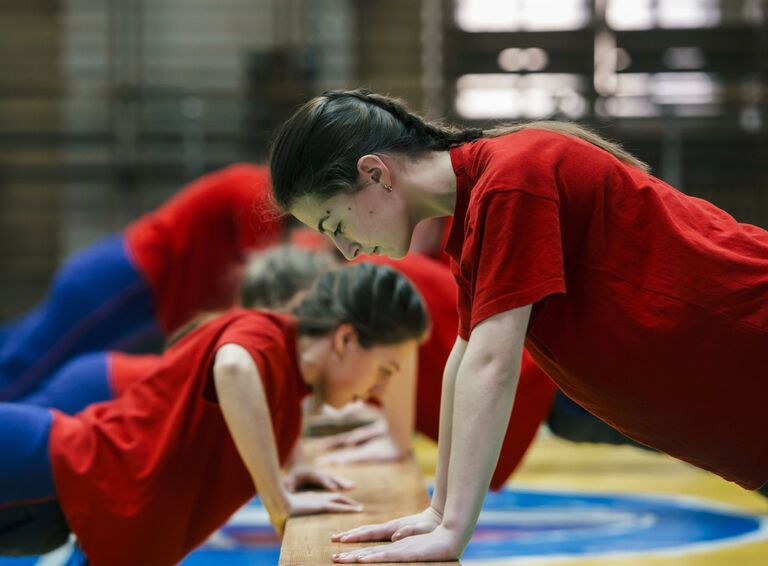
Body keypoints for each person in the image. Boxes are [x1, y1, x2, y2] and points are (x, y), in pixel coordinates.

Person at [268, 89, 768, 563]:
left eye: (336, 225)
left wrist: (453, 530)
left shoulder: (512, 176)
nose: (346, 251)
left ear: (375, 173)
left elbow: (493, 364)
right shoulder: (474, 211)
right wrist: (438, 512)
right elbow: (463, 358)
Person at [0, 263, 428, 565]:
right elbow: (234, 367)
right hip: (51, 461)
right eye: (384, 370)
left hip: (68, 490)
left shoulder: (287, 389)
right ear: (345, 340)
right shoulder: (263, 334)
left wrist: (288, 472)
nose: (379, 390)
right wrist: (278, 497)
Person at [239, 245, 556, 487]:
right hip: (512, 383)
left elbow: (403, 334)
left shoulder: (369, 284)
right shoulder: (351, 301)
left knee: (599, 415)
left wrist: (396, 437)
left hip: (536, 379)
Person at [0, 164, 281, 401]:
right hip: (127, 279)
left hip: (140, 294)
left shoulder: (263, 195)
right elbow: (257, 297)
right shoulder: (258, 191)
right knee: (22, 372)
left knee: (27, 365)